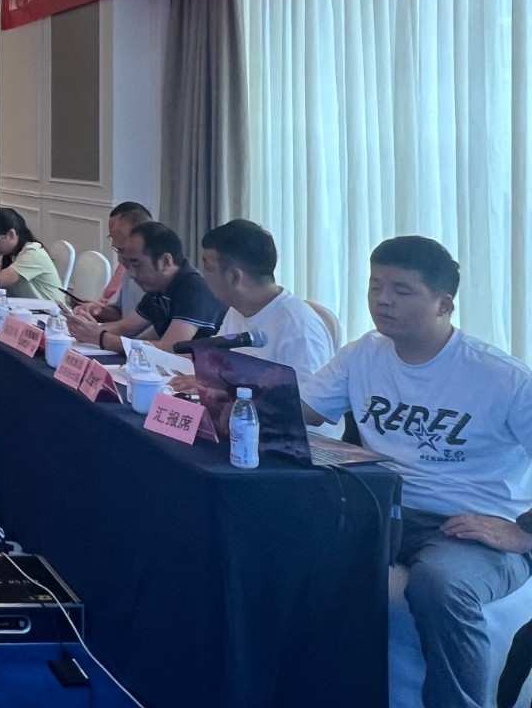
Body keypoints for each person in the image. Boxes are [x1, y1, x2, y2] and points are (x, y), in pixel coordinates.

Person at [301, 237, 532, 708]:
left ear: (444, 304)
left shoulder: (501, 377)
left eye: (401, 290)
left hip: (467, 526)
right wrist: (229, 389)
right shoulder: (363, 355)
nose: (382, 300)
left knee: (440, 586)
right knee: (280, 543)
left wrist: (524, 533)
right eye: (375, 286)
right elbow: (302, 409)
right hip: (382, 512)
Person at [198, 219, 335, 380]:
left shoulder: (300, 331)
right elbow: (218, 365)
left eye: (209, 269)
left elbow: (308, 395)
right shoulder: (237, 311)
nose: (203, 275)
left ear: (235, 277)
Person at [67, 221, 225, 353]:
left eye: (137, 264)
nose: (131, 274)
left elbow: (171, 347)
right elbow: (125, 327)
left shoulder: (195, 287)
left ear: (166, 261)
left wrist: (100, 338)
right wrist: (84, 329)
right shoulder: (159, 287)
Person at [77, 201, 152, 321]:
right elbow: (120, 313)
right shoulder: (129, 268)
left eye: (121, 249)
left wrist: (99, 331)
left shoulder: (160, 279)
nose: (120, 259)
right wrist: (98, 310)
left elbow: (130, 328)